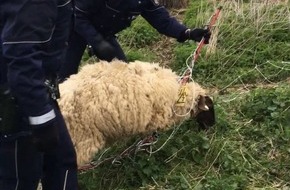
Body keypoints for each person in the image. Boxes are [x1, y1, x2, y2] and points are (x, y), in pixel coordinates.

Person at [0, 0, 79, 189]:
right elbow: (21, 56)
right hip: (18, 98)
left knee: (61, 162)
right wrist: (40, 118)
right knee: (19, 178)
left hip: (35, 88)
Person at [58, 0, 211, 81]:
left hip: (104, 32)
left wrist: (187, 33)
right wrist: (96, 41)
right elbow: (77, 14)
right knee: (63, 78)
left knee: (123, 74)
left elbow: (161, 20)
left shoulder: (142, 1)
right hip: (72, 29)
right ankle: (55, 123)